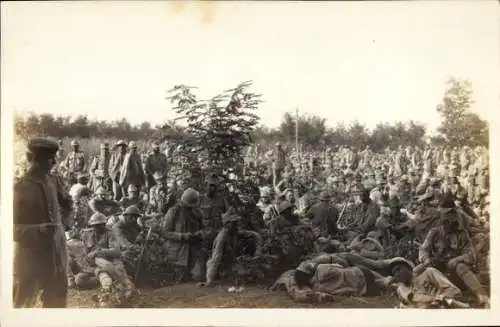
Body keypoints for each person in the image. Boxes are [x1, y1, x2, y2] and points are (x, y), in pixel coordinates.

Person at [13, 137, 72, 307]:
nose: (55, 161)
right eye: (50, 158)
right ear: (37, 160)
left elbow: (68, 203)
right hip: (31, 257)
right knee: (24, 303)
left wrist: (65, 223)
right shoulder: (20, 188)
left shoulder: (54, 180)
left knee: (57, 300)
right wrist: (38, 230)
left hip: (57, 253)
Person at [416, 194, 488, 305]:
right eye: (446, 221)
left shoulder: (461, 234)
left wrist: (457, 259)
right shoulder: (434, 233)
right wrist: (426, 259)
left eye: (452, 221)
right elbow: (423, 249)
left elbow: (470, 254)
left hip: (456, 273)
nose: (450, 224)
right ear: (443, 221)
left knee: (461, 267)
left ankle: (482, 296)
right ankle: (423, 296)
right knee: (417, 271)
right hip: (439, 270)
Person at [80, 213, 137, 303]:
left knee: (111, 267)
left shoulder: (110, 234)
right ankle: (110, 279)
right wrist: (95, 269)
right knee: (80, 279)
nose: (97, 228)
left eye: (100, 225)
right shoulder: (86, 235)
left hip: (110, 262)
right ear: (92, 225)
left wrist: (99, 251)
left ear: (104, 225)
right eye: (95, 225)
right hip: (95, 266)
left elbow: (116, 252)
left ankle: (113, 285)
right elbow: (84, 257)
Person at [160, 188, 207, 283]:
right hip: (178, 251)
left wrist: (201, 233)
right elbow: (165, 232)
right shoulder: (173, 211)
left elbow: (205, 228)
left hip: (194, 250)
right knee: (179, 279)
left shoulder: (197, 212)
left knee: (199, 276)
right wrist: (182, 236)